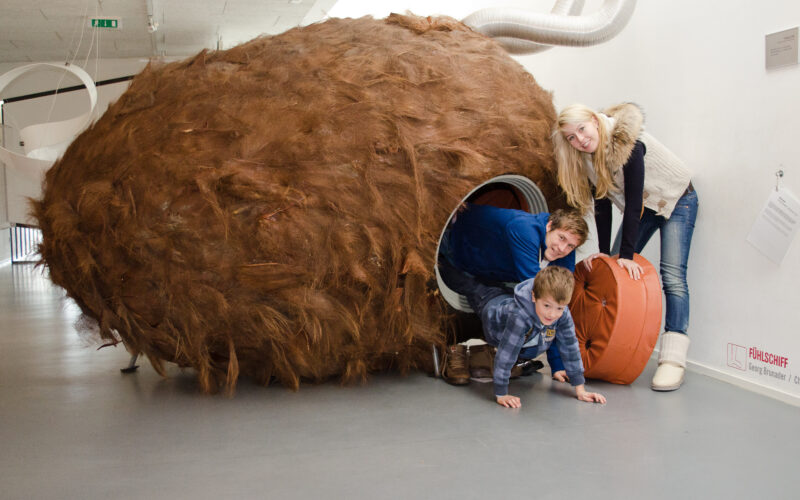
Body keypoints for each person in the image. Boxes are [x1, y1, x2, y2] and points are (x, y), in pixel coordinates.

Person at [553, 102, 698, 391]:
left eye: (581, 129)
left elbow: (632, 204)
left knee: (672, 276)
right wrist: (606, 253)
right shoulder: (587, 158)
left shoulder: (628, 144)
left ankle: (672, 360)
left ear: (595, 121)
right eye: (571, 137)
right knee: (611, 270)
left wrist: (629, 255)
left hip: (676, 199)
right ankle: (607, 346)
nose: (579, 140)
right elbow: (603, 205)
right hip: (646, 206)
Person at [439, 205, 589, 384]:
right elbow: (540, 299)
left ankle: (487, 354)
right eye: (561, 238)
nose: (562, 248)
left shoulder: (564, 254)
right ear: (549, 226)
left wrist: (558, 365)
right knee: (523, 312)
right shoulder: (524, 230)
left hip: (493, 272)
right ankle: (465, 352)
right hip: (456, 251)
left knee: (535, 316)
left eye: (571, 245)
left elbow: (558, 305)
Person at [439, 262, 605, 408]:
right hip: (490, 305)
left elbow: (570, 347)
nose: (552, 314)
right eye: (547, 306)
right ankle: (442, 263)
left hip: (510, 305)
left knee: (502, 292)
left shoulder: (562, 313)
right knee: (471, 285)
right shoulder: (520, 317)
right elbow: (506, 354)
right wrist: (501, 393)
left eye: (559, 308)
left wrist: (580, 388)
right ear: (534, 297)